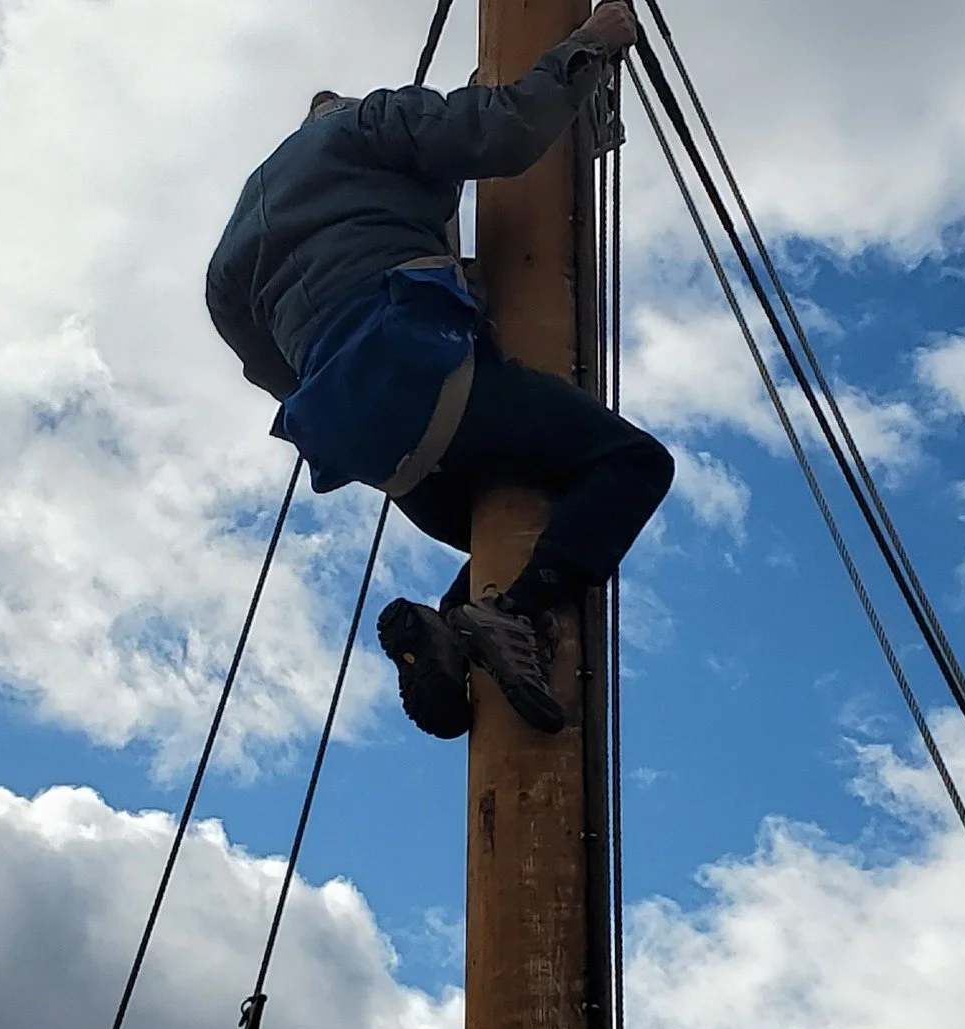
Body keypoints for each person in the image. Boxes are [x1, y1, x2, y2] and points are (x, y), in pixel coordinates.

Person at [206, 0, 673, 738]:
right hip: (423, 369)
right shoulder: (365, 124)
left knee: (551, 518)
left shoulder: (232, 249)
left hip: (372, 454)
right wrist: (585, 47)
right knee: (632, 465)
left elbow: (268, 372)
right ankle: (511, 617)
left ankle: (453, 627)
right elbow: (500, 130)